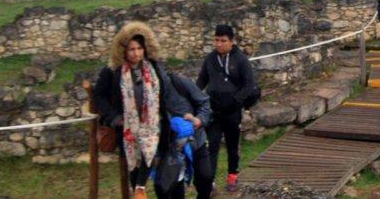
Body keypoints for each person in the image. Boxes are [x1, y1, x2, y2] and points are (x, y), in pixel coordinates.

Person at [92, 22, 194, 199]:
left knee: (161, 168)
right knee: (135, 166)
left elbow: (166, 93)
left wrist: (182, 112)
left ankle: (142, 188)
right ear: (123, 49)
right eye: (131, 49)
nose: (136, 53)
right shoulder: (113, 71)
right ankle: (138, 188)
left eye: (139, 48)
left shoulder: (153, 67)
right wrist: (114, 118)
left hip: (155, 127)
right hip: (128, 130)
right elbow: (99, 96)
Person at [197, 24, 257, 193]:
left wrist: (235, 100)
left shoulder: (241, 59)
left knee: (232, 146)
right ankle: (210, 182)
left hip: (232, 111)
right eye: (216, 40)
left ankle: (232, 176)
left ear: (232, 41)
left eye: (223, 41)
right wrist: (193, 96)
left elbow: (249, 84)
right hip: (214, 110)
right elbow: (201, 81)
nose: (219, 44)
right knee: (212, 146)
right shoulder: (210, 59)